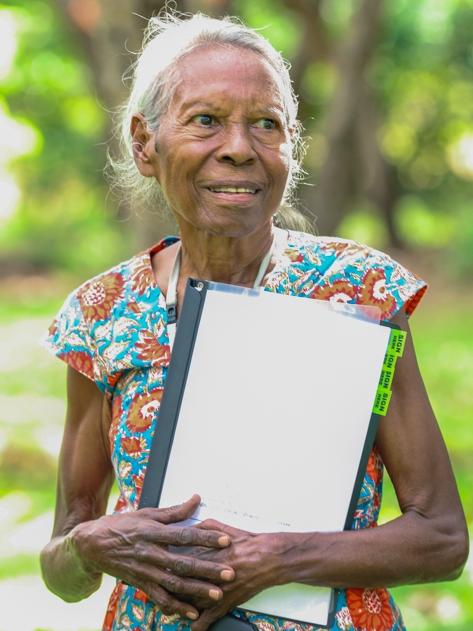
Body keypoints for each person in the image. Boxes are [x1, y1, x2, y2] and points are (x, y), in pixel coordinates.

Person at [40, 12, 468, 631]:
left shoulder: (357, 292)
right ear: (144, 143)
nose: (240, 148)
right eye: (206, 120)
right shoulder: (103, 315)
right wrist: (88, 546)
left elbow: (442, 538)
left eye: (266, 125)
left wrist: (279, 557)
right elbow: (62, 571)